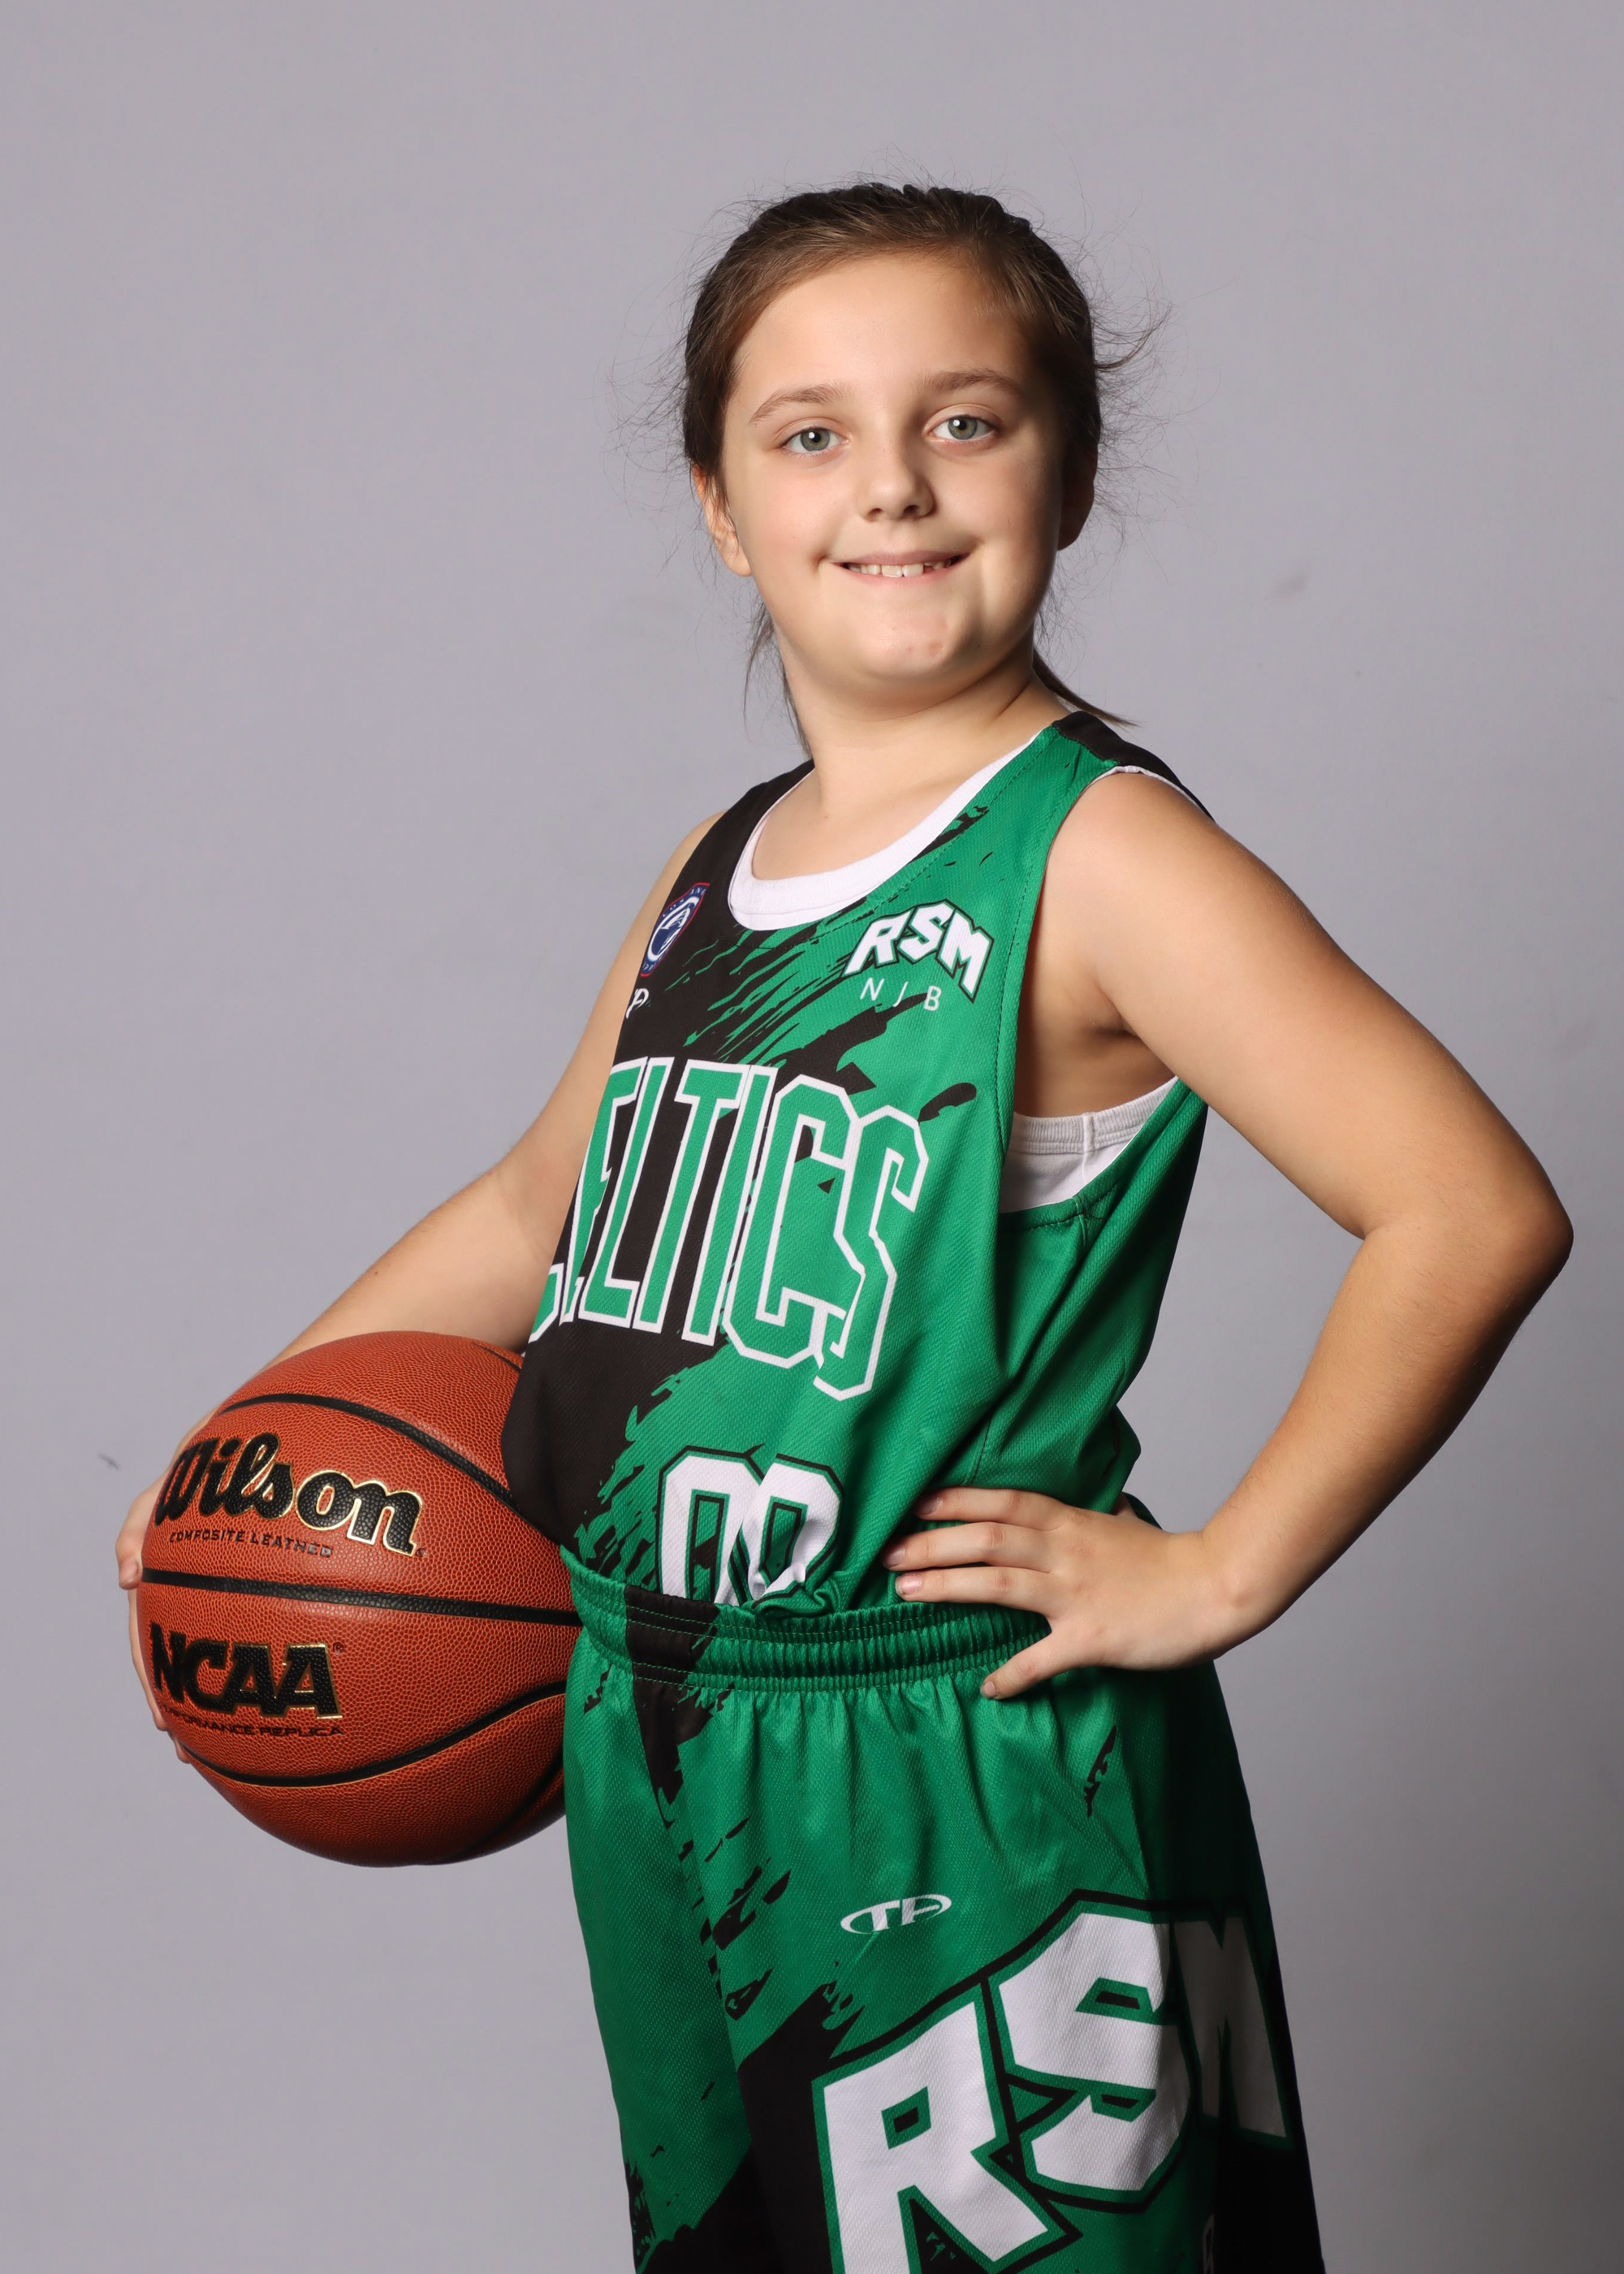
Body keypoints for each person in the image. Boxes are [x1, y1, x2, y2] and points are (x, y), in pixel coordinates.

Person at [117, 184, 1570, 2272]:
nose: (891, 482)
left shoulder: (1102, 855)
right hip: (663, 1720)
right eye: (809, 434)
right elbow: (538, 1202)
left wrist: (1225, 1566)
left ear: (1069, 465)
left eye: (964, 420)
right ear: (722, 505)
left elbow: (1467, 1202)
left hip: (953, 1746)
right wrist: (250, 1442)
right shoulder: (715, 871)